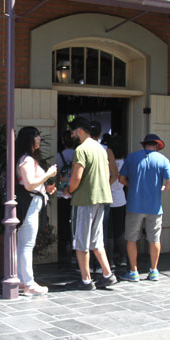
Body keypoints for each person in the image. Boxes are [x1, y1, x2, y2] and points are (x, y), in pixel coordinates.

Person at [63, 117, 117, 290]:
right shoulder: (101, 149)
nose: (72, 135)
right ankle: (108, 274)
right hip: (101, 199)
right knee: (96, 240)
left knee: (81, 241)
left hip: (84, 200)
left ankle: (86, 280)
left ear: (79, 130)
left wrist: (68, 190)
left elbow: (76, 178)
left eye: (72, 131)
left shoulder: (81, 149)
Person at [119, 133, 170, 282]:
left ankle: (133, 272)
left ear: (144, 144)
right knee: (154, 239)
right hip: (154, 207)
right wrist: (163, 188)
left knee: (131, 239)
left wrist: (131, 185)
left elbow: (121, 178)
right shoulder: (163, 160)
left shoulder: (131, 157)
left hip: (134, 206)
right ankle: (154, 270)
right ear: (157, 146)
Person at [15, 127, 57, 296]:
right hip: (29, 203)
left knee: (22, 244)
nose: (39, 138)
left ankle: (21, 280)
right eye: (36, 136)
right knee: (26, 245)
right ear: (29, 140)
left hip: (32, 201)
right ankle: (29, 283)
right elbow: (29, 184)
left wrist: (45, 188)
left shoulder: (26, 159)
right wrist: (47, 175)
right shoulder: (27, 160)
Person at [89, 121, 118, 274]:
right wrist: (105, 185)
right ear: (100, 134)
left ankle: (89, 265)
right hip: (104, 196)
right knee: (103, 230)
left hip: (88, 196)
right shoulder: (107, 150)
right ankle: (102, 265)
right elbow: (115, 174)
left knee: (86, 230)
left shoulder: (83, 149)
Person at [107, 136, 128, 267]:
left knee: (108, 232)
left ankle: (110, 261)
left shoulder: (108, 163)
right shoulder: (125, 163)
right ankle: (123, 257)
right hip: (121, 199)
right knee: (120, 231)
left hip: (108, 199)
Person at [56, 130, 75, 263]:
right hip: (76, 192)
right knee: (75, 220)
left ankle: (63, 244)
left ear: (62, 142)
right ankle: (75, 245)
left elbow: (55, 174)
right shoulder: (77, 154)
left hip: (61, 192)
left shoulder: (59, 156)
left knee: (62, 220)